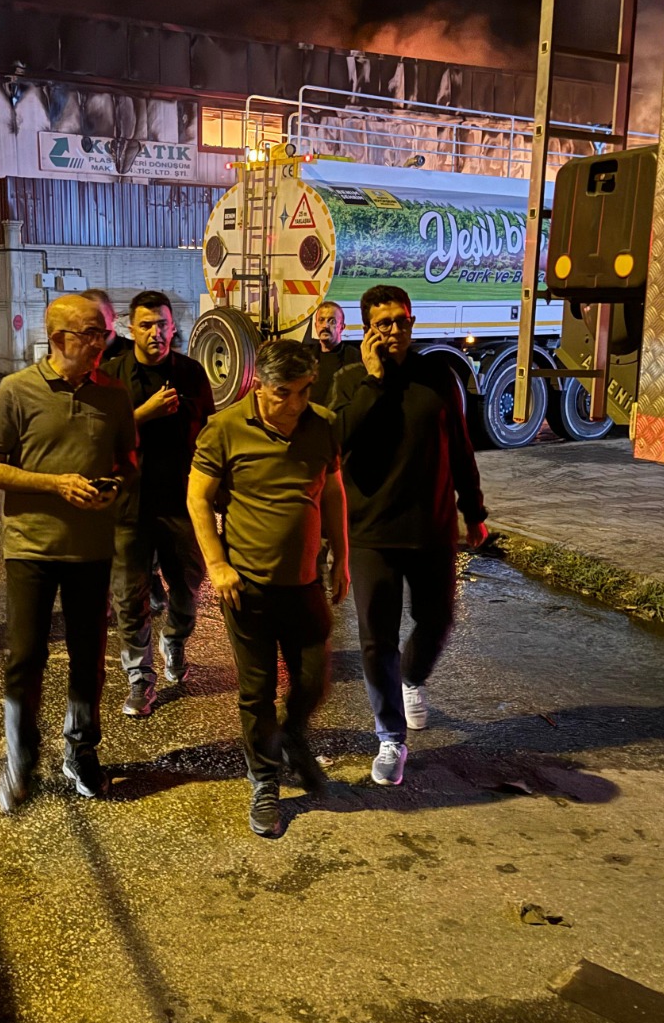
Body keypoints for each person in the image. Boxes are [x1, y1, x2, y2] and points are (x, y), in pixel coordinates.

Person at [0, 293, 137, 809]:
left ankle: (81, 752)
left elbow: (127, 462)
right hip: (32, 549)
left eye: (104, 333)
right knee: (26, 657)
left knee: (89, 659)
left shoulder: (114, 396)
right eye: (93, 333)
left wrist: (115, 484)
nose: (102, 342)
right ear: (61, 337)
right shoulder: (18, 392)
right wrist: (55, 484)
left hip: (92, 550)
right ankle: (20, 757)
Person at [188, 339, 348, 838]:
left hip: (304, 583)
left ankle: (295, 735)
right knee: (256, 692)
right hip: (248, 587)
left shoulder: (321, 424)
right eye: (284, 392)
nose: (295, 404)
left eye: (304, 391)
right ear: (258, 382)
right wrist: (217, 564)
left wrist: (341, 553)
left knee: (314, 679)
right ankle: (264, 781)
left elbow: (335, 489)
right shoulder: (225, 428)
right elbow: (197, 498)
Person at [330, 284, 487, 788]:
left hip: (434, 529)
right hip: (371, 533)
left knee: (438, 618)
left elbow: (461, 448)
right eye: (383, 324)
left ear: (412, 322)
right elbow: (336, 442)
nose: (394, 332)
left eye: (402, 321)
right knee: (377, 641)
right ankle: (390, 738)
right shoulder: (350, 380)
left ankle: (413, 678)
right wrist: (374, 382)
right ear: (366, 328)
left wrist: (474, 512)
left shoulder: (438, 376)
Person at [105, 289, 214, 716]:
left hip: (182, 504)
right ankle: (140, 678)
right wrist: (141, 414)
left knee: (188, 588)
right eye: (147, 325)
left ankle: (175, 639)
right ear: (130, 329)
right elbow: (96, 440)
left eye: (163, 324)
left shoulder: (191, 373)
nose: (157, 333)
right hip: (129, 507)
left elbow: (208, 435)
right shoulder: (112, 377)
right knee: (129, 597)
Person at [310, 301, 361, 406]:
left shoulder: (355, 357)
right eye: (321, 320)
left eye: (332, 321)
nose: (325, 326)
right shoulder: (306, 357)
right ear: (316, 326)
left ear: (342, 327)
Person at [82, 288, 134, 362]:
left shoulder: (134, 352)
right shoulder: (77, 354)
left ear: (113, 314)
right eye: (87, 319)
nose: (95, 324)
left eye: (101, 317)